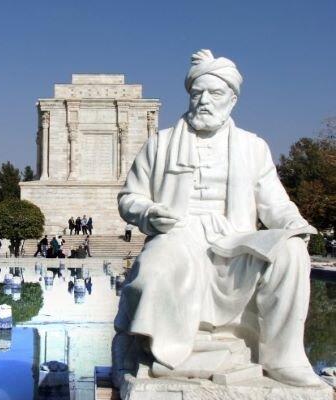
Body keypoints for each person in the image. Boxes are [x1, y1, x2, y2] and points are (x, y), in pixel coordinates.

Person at [112, 49, 321, 387]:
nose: (205, 101)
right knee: (154, 268)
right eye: (198, 93)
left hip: (234, 238)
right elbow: (129, 198)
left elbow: (275, 204)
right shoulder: (161, 143)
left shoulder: (253, 147)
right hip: (179, 235)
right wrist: (149, 212)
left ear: (232, 99)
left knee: (291, 251)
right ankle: (166, 354)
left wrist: (295, 225)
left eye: (215, 93)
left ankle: (283, 358)